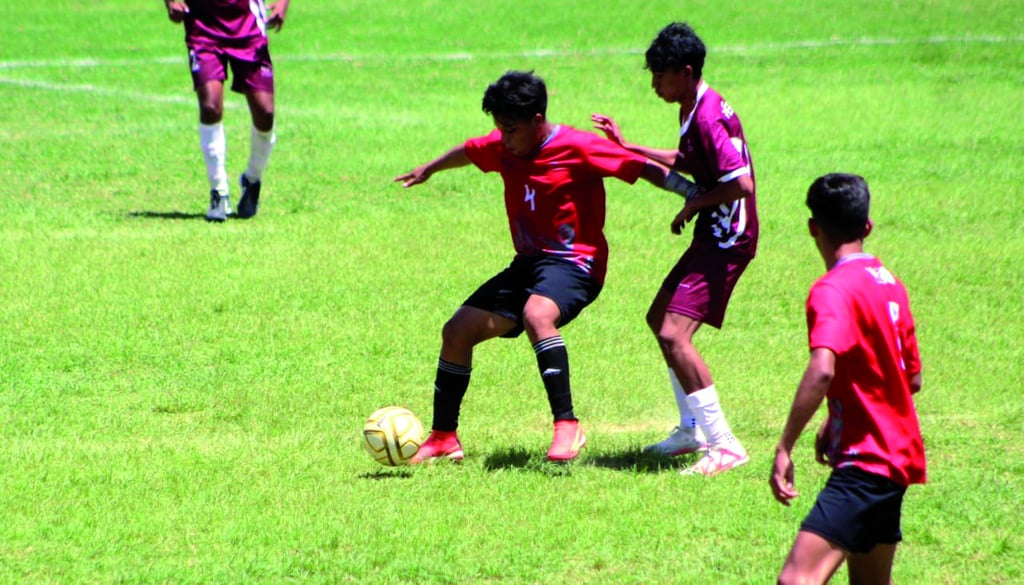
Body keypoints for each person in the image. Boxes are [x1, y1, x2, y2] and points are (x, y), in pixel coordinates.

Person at [395, 70, 695, 463]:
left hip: (576, 263)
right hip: (529, 265)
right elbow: (469, 151)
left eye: (511, 129)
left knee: (537, 314)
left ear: (537, 121)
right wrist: (429, 169)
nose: (503, 138)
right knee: (456, 331)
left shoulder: (578, 146)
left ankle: (568, 426)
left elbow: (642, 169)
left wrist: (693, 194)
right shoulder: (505, 146)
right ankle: (444, 437)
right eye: (499, 129)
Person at [591, 22, 758, 475]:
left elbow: (740, 183)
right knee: (657, 317)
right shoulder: (695, 107)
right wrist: (629, 147)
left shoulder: (705, 114)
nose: (653, 84)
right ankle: (692, 430)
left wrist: (694, 204)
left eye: (659, 76)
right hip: (714, 233)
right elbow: (691, 160)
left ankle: (724, 444)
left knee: (673, 334)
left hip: (727, 239)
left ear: (685, 71)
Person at [770, 173, 925, 585]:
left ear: (813, 229)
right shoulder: (891, 284)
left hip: (867, 462)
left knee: (796, 579)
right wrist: (837, 415)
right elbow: (911, 379)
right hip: (897, 460)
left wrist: (785, 445)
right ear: (867, 227)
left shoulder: (832, 290)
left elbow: (823, 368)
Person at [164, 0, 290, 222]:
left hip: (249, 27)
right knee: (210, 104)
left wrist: (283, 4)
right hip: (204, 27)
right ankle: (218, 192)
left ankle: (252, 179)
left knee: (265, 112)